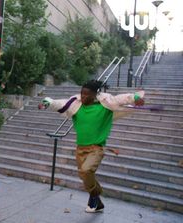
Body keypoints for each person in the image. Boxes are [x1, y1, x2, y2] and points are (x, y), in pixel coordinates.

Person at [38, 80, 145, 213]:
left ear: (95, 94)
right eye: (82, 93)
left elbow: (121, 99)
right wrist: (47, 102)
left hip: (97, 148)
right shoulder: (75, 105)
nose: (83, 97)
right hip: (80, 148)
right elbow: (60, 103)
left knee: (86, 171)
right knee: (84, 175)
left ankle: (95, 194)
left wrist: (136, 98)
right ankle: (97, 202)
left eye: (87, 94)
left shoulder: (105, 105)